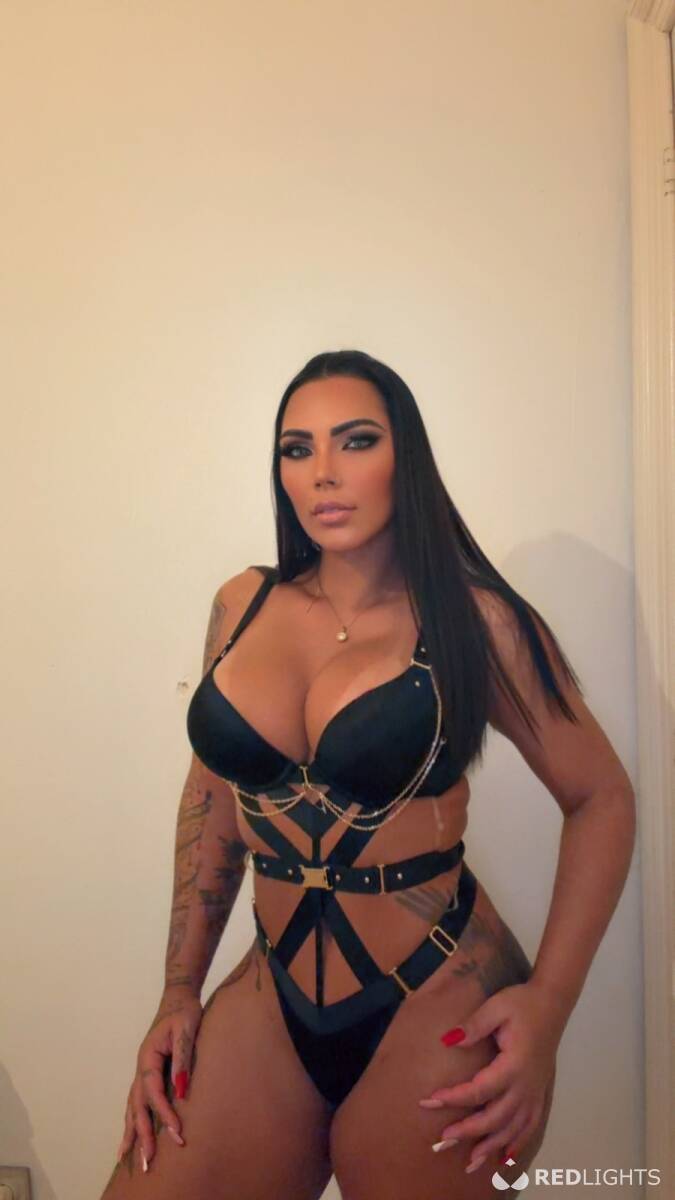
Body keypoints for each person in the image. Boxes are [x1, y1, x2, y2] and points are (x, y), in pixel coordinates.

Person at [101, 350, 635, 1200]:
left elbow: (599, 797)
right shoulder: (242, 605)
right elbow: (212, 798)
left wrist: (549, 1007)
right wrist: (177, 992)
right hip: (270, 995)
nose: (322, 472)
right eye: (296, 448)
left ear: (403, 457)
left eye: (355, 441)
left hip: (436, 999)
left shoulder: (475, 622)